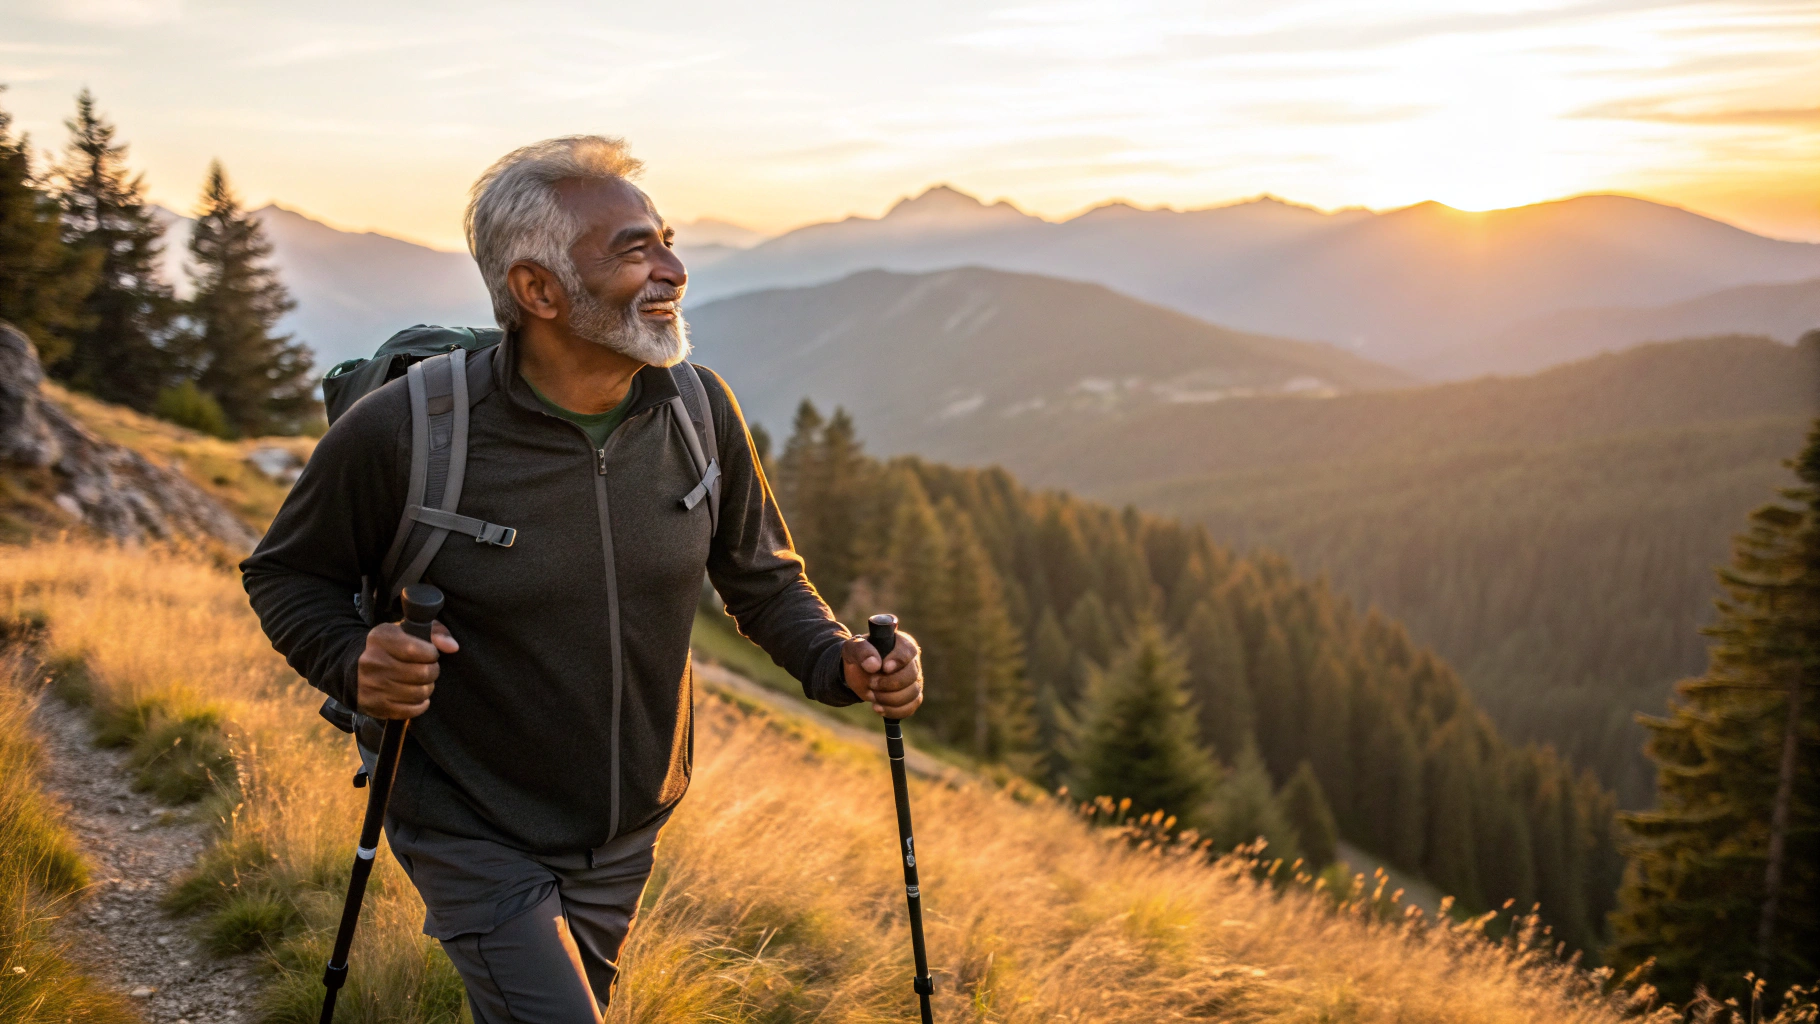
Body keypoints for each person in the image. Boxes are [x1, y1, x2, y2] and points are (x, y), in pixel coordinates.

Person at [241, 135, 924, 1023]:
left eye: (667, 240)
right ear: (538, 290)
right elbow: (286, 574)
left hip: (626, 829)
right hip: (465, 819)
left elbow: (760, 581)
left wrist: (840, 662)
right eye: (635, 249)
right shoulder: (407, 430)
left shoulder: (697, 409)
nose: (674, 269)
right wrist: (351, 662)